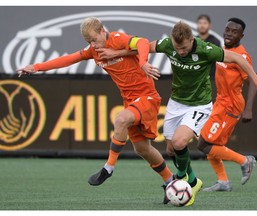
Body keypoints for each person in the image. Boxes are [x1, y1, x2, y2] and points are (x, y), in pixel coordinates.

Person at [95, 20, 257, 206]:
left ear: (191, 39)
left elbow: (239, 59)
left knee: (180, 142)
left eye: (184, 48)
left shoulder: (206, 49)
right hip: (176, 103)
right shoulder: (169, 44)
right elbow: (144, 45)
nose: (180, 52)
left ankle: (181, 181)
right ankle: (193, 181)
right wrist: (117, 52)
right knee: (171, 149)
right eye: (177, 48)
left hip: (199, 105)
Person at [16, 17, 174, 202]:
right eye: (88, 42)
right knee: (142, 149)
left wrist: (143, 63)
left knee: (120, 119)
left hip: (147, 97)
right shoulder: (94, 51)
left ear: (102, 31)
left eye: (94, 39)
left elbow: (142, 42)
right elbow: (68, 59)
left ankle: (109, 167)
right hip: (130, 100)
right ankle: (170, 182)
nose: (93, 44)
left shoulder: (116, 38)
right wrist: (36, 67)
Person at [197, 18, 257, 192]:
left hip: (231, 105)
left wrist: (249, 109)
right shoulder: (222, 51)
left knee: (204, 144)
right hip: (220, 102)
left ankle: (245, 161)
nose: (229, 34)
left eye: (234, 32)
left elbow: (252, 81)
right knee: (212, 145)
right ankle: (223, 182)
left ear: (241, 35)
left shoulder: (241, 56)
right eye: (227, 30)